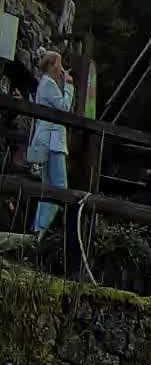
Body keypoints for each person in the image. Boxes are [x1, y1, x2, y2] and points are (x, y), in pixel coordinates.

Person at [25, 50, 73, 233]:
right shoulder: (49, 84)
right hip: (53, 142)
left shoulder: (46, 84)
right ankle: (46, 231)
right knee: (60, 188)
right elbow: (64, 107)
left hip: (49, 141)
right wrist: (69, 87)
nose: (61, 69)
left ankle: (40, 229)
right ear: (52, 65)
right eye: (59, 64)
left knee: (49, 188)